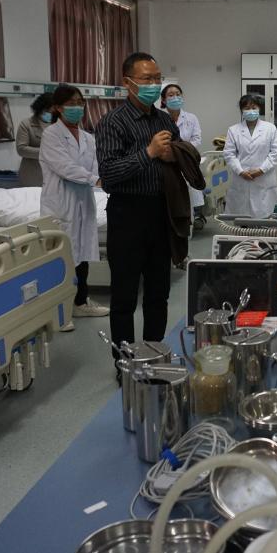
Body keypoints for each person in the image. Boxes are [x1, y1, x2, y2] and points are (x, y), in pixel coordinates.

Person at [97, 52, 196, 373]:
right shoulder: (112, 122)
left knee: (158, 293)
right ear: (128, 83)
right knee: (124, 297)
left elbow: (182, 158)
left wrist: (172, 156)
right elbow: (109, 174)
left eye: (157, 78)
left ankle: (154, 355)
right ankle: (125, 364)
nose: (154, 84)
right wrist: (149, 152)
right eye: (147, 79)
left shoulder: (164, 120)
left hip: (160, 212)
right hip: (128, 213)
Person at [39, 84, 109, 329]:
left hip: (83, 201)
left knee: (82, 255)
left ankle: (80, 303)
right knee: (62, 257)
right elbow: (64, 167)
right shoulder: (51, 135)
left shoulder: (88, 137)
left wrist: (104, 178)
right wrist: (95, 180)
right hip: (61, 202)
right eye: (71, 104)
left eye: (80, 103)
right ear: (58, 108)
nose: (77, 107)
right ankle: (58, 311)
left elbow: (96, 166)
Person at [224, 94, 277, 219]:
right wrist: (240, 171)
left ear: (259, 108)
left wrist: (261, 170)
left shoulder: (270, 128)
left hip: (264, 178)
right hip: (242, 179)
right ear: (242, 110)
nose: (251, 111)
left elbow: (275, 152)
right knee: (242, 219)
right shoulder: (233, 130)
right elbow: (229, 154)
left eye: (254, 107)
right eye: (247, 108)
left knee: (265, 217)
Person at [161, 83, 206, 225]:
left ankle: (191, 222)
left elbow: (197, 140)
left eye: (178, 94)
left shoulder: (191, 118)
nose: (175, 97)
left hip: (186, 162)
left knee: (189, 199)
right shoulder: (159, 118)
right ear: (163, 100)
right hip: (166, 163)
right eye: (171, 95)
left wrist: (178, 151)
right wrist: (176, 151)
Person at [15, 93, 53, 187]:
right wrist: (47, 152)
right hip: (32, 175)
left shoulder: (58, 124)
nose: (50, 113)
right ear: (39, 109)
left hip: (54, 174)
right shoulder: (26, 124)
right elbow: (21, 149)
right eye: (47, 110)